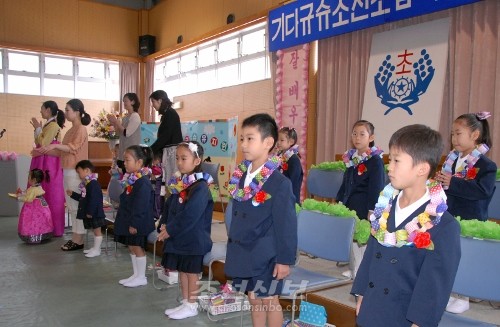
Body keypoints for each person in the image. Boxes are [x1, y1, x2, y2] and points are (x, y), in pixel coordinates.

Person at [352, 124, 461, 327]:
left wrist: (420, 322)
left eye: (396, 160)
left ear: (422, 168)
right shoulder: (385, 207)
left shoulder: (444, 226)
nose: (389, 166)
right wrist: (361, 292)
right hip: (372, 306)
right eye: (390, 159)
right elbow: (371, 253)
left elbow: (434, 286)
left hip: (402, 316)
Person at [224, 113, 297, 327]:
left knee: (269, 300)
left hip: (266, 254)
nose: (244, 144)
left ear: (268, 143)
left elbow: (287, 225)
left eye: (250, 138)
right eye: (242, 139)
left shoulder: (279, 182)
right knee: (253, 298)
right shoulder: (240, 175)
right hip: (243, 249)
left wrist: (284, 260)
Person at [435, 112, 497, 314]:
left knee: (465, 257)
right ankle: (451, 293)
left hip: (471, 219)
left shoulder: (486, 165)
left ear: (475, 135)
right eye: (452, 134)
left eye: (458, 133)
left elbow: (482, 191)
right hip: (450, 216)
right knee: (448, 256)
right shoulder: (452, 161)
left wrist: (452, 182)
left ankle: (464, 296)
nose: (454, 139)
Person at [158, 141, 213, 320]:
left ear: (197, 161)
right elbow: (169, 205)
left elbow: (191, 214)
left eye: (184, 158)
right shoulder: (182, 183)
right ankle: (186, 301)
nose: (179, 162)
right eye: (177, 158)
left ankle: (192, 304)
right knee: (182, 270)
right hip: (180, 236)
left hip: (193, 238)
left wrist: (171, 229)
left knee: (191, 272)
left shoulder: (201, 186)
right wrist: (164, 224)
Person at [35, 99, 91, 251]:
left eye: (67, 110)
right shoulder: (70, 130)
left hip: (75, 171)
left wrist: (53, 145)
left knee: (76, 206)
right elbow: (60, 151)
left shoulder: (81, 129)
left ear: (77, 111)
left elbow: (72, 148)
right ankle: (75, 237)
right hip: (67, 170)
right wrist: (43, 150)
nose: (65, 113)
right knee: (72, 207)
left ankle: (78, 239)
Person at [336, 120, 386, 278]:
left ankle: (362, 271)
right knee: (352, 237)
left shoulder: (375, 161)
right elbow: (345, 181)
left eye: (362, 134)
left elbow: (376, 187)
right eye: (354, 134)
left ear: (371, 137)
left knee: (363, 239)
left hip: (365, 205)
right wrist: (339, 200)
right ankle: (354, 267)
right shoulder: (352, 158)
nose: (357, 138)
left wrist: (372, 209)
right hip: (350, 203)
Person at [114, 145, 155, 288]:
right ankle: (136, 274)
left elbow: (141, 206)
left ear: (139, 163)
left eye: (127, 160)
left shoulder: (143, 182)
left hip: (138, 222)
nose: (124, 163)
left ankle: (141, 276)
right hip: (130, 219)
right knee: (132, 247)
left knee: (137, 248)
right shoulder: (133, 179)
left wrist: (134, 223)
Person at [29, 100, 66, 237]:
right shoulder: (49, 125)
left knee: (51, 193)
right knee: (44, 192)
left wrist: (38, 128)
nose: (40, 111)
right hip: (45, 161)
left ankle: (53, 227)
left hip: (50, 163)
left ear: (48, 110)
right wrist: (38, 128)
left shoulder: (53, 125)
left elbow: (43, 143)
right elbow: (40, 142)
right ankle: (43, 226)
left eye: (42, 109)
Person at [66, 160, 106, 258]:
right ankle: (96, 248)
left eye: (79, 172)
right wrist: (73, 195)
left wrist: (90, 212)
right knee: (94, 231)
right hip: (92, 212)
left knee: (97, 232)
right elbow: (83, 198)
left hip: (95, 213)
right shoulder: (87, 184)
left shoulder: (93, 184)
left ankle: (97, 250)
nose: (78, 175)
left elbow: (94, 200)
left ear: (87, 170)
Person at [149, 90, 183, 187]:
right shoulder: (167, 114)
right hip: (169, 151)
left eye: (153, 102)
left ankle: (173, 201)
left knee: (173, 180)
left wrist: (151, 150)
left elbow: (165, 137)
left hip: (173, 151)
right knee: (168, 179)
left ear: (160, 100)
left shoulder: (170, 114)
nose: (152, 105)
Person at [16, 169, 54, 244]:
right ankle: (43, 233)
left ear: (34, 180)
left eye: (29, 177)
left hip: (33, 206)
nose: (28, 179)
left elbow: (28, 198)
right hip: (41, 204)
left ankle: (34, 235)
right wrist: (22, 192)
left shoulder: (33, 189)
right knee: (41, 220)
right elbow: (27, 193)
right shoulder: (37, 187)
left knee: (32, 220)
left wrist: (19, 198)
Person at [107, 93, 142, 169]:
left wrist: (116, 122)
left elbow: (127, 133)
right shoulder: (125, 117)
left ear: (132, 102)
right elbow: (119, 133)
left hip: (131, 153)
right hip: (122, 152)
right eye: (123, 101)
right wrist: (113, 123)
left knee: (129, 178)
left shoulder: (135, 116)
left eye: (126, 101)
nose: (124, 103)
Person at [276, 127, 303, 205]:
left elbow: (292, 180)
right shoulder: (279, 156)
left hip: (290, 197)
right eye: (277, 140)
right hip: (280, 194)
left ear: (291, 142)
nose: (278, 142)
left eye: (282, 140)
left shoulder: (294, 159)